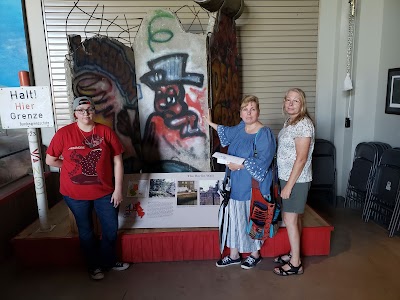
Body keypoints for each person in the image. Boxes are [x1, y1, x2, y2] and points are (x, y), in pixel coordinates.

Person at [46, 96, 130, 280]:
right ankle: (94, 266)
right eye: (81, 110)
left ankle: (108, 261)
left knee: (110, 229)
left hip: (105, 192)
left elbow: (117, 161)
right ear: (75, 113)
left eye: (89, 109)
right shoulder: (64, 134)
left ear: (94, 111)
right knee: (86, 231)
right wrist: (71, 167)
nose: (86, 113)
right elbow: (50, 160)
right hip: (75, 194)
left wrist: (118, 189)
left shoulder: (105, 132)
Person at [204, 95, 276, 270]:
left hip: (253, 187)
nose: (249, 113)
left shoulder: (264, 133)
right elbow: (225, 131)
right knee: (235, 220)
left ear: (258, 111)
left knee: (252, 220)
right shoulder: (240, 128)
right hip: (235, 184)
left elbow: (264, 161)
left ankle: (255, 254)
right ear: (241, 113)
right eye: (245, 109)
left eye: (252, 109)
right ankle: (234, 255)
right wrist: (209, 122)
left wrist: (242, 163)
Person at [273, 88, 315, 276]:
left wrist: (289, 186)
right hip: (287, 177)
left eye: (295, 101)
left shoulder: (304, 125)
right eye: (288, 100)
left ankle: (295, 263)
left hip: (296, 180)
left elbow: (301, 158)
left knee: (289, 220)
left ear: (302, 104)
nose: (290, 103)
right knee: (294, 218)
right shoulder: (290, 122)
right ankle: (293, 254)